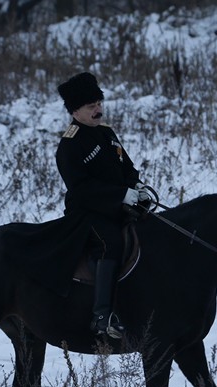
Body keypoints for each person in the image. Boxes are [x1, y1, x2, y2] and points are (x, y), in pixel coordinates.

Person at [56, 72, 150, 339]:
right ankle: (102, 316)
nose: (98, 110)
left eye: (99, 103)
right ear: (75, 110)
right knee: (111, 243)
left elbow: (127, 167)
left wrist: (136, 186)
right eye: (91, 106)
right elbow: (81, 189)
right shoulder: (69, 145)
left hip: (119, 206)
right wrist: (121, 195)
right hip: (87, 214)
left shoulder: (107, 132)